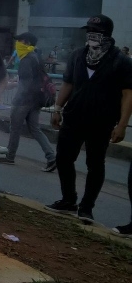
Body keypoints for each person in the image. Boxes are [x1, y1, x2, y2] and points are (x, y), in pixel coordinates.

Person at [45, 15, 132, 224]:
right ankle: (68, 200)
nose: (91, 36)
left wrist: (121, 125)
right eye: (89, 31)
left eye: (96, 31)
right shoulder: (78, 56)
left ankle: (86, 208)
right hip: (73, 117)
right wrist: (57, 108)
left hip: (101, 121)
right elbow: (67, 84)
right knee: (64, 158)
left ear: (106, 35)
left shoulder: (121, 61)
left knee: (95, 164)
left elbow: (128, 94)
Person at [2, 32, 56, 171]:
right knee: (35, 129)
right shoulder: (36, 57)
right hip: (37, 99)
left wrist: (17, 95)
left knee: (15, 128)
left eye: (19, 41)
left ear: (26, 43)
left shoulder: (26, 59)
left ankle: (9, 156)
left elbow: (26, 83)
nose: (17, 44)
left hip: (24, 100)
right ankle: (51, 157)